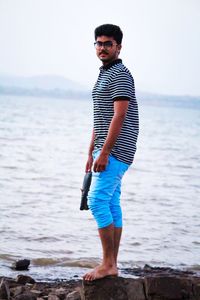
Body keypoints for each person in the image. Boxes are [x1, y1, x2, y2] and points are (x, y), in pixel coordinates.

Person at [83, 24, 139, 281]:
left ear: (118, 46)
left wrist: (104, 152)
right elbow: (101, 118)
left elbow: (119, 116)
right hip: (104, 149)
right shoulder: (105, 73)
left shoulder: (120, 74)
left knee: (96, 202)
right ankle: (112, 263)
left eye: (107, 43)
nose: (102, 48)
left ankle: (107, 264)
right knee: (111, 202)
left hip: (116, 149)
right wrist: (90, 152)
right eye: (99, 43)